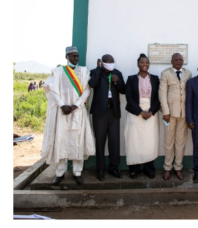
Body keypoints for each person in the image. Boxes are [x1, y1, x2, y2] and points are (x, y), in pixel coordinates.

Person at [41, 46, 95, 185]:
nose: (76, 59)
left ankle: (77, 172)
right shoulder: (58, 71)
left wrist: (76, 105)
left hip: (77, 112)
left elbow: (87, 90)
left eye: (77, 56)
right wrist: (62, 105)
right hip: (62, 112)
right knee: (61, 141)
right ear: (67, 57)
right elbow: (52, 90)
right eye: (73, 56)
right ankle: (59, 173)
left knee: (77, 142)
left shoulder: (84, 71)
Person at [88, 53, 124, 181]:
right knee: (100, 142)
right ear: (102, 62)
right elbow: (92, 84)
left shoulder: (117, 73)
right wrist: (98, 69)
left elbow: (123, 90)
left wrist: (117, 81)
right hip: (100, 113)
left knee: (114, 142)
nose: (110, 62)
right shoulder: (95, 72)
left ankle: (113, 168)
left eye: (112, 60)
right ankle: (100, 170)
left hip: (113, 112)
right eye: (107, 61)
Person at [124, 54, 160, 178]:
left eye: (147, 62)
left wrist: (151, 111)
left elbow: (158, 98)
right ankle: (134, 168)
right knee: (134, 141)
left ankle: (149, 168)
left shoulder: (155, 79)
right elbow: (128, 97)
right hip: (135, 113)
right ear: (138, 64)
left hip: (151, 113)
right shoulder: (131, 79)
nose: (144, 64)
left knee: (149, 141)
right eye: (142, 62)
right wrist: (140, 112)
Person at [158, 52, 192, 180]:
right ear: (172, 61)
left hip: (183, 114)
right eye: (176, 59)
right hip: (170, 114)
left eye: (180, 59)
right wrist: (166, 112)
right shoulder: (166, 73)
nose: (178, 61)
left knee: (180, 142)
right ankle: (167, 167)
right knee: (168, 142)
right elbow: (162, 94)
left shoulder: (188, 73)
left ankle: (178, 167)